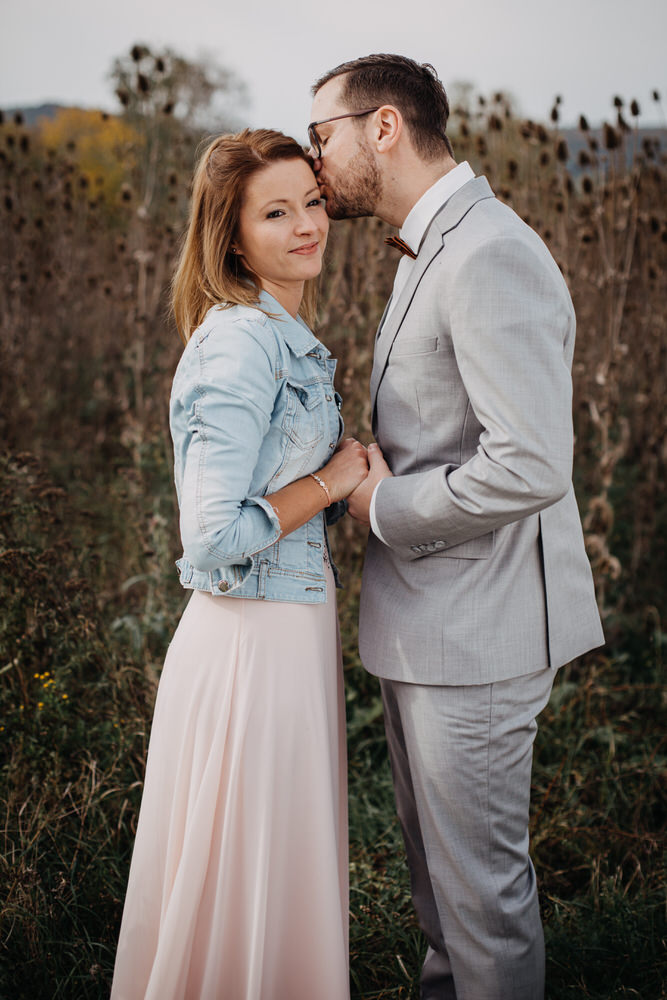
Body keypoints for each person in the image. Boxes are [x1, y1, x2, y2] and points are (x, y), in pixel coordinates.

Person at [309, 55, 604, 1000]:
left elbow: (529, 461)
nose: (315, 157)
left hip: (479, 633)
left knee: (480, 905)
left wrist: (377, 505)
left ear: (382, 127)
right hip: (430, 626)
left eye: (322, 135)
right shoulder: (431, 242)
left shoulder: (487, 253)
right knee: (442, 904)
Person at [110, 128, 368, 1000]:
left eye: (312, 201)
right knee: (248, 879)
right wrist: (332, 480)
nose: (307, 225)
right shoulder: (241, 344)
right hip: (251, 647)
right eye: (275, 211)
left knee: (272, 874)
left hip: (285, 635)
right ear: (231, 236)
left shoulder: (281, 334)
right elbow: (211, 536)